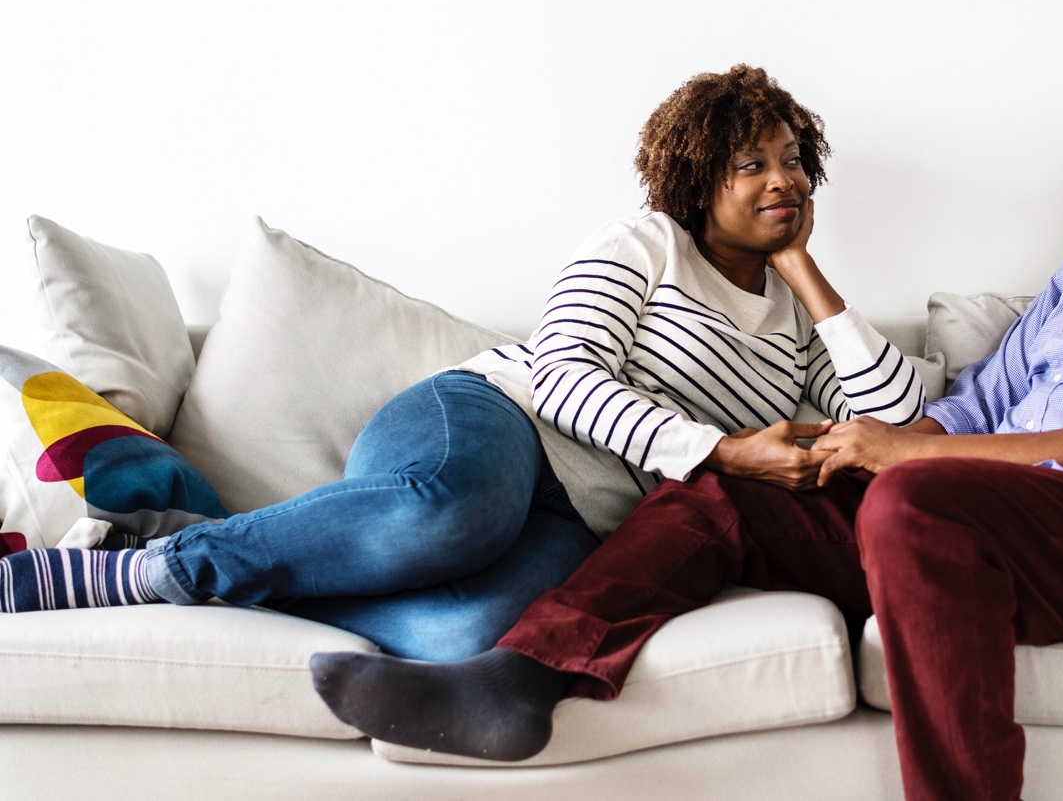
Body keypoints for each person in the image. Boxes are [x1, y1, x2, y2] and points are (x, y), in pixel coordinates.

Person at [306, 67, 1063, 801]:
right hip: (1002, 515)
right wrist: (856, 446)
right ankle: (519, 681)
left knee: (916, 495)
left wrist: (911, 456)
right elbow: (977, 403)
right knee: (738, 484)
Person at [0, 64, 926, 664]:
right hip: (496, 418)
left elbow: (895, 420)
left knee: (468, 633)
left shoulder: (801, 325)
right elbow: (562, 375)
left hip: (590, 513)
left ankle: (218, 565)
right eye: (751, 163)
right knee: (447, 513)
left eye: (793, 160)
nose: (783, 177)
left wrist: (803, 271)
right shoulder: (646, 242)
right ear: (697, 178)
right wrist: (720, 452)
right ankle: (152, 566)